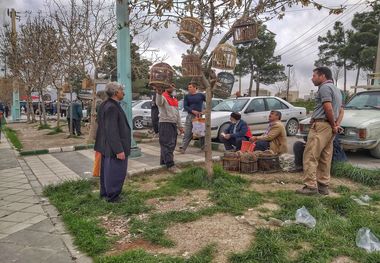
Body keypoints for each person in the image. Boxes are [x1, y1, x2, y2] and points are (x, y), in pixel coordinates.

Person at [296, 67, 342, 196]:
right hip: (329, 127)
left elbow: (327, 107)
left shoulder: (324, 88)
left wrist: (332, 124)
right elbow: (341, 110)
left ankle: (310, 186)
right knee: (325, 157)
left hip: (321, 126)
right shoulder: (337, 90)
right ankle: (323, 186)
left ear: (322, 76)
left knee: (311, 155)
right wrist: (335, 125)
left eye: (314, 75)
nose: (312, 78)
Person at [94, 82, 131, 203]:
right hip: (113, 147)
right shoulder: (112, 107)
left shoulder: (105, 104)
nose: (123, 93)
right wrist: (119, 150)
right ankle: (113, 196)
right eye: (121, 90)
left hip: (106, 145)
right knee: (116, 172)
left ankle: (106, 194)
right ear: (116, 93)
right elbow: (112, 130)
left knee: (106, 171)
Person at [155, 83, 184, 172]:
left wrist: (180, 126)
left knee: (171, 144)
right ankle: (170, 165)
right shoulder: (163, 96)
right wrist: (159, 93)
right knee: (167, 144)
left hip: (173, 124)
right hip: (165, 123)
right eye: (170, 85)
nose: (172, 87)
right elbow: (159, 102)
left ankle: (164, 162)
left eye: (173, 85)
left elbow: (177, 114)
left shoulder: (174, 99)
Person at [179, 81, 206, 153]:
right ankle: (183, 148)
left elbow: (209, 101)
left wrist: (204, 111)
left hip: (199, 116)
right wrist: (192, 111)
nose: (189, 89)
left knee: (200, 132)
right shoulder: (187, 96)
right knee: (188, 132)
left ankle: (203, 148)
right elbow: (185, 106)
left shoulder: (201, 95)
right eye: (188, 87)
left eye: (190, 87)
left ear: (195, 87)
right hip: (190, 116)